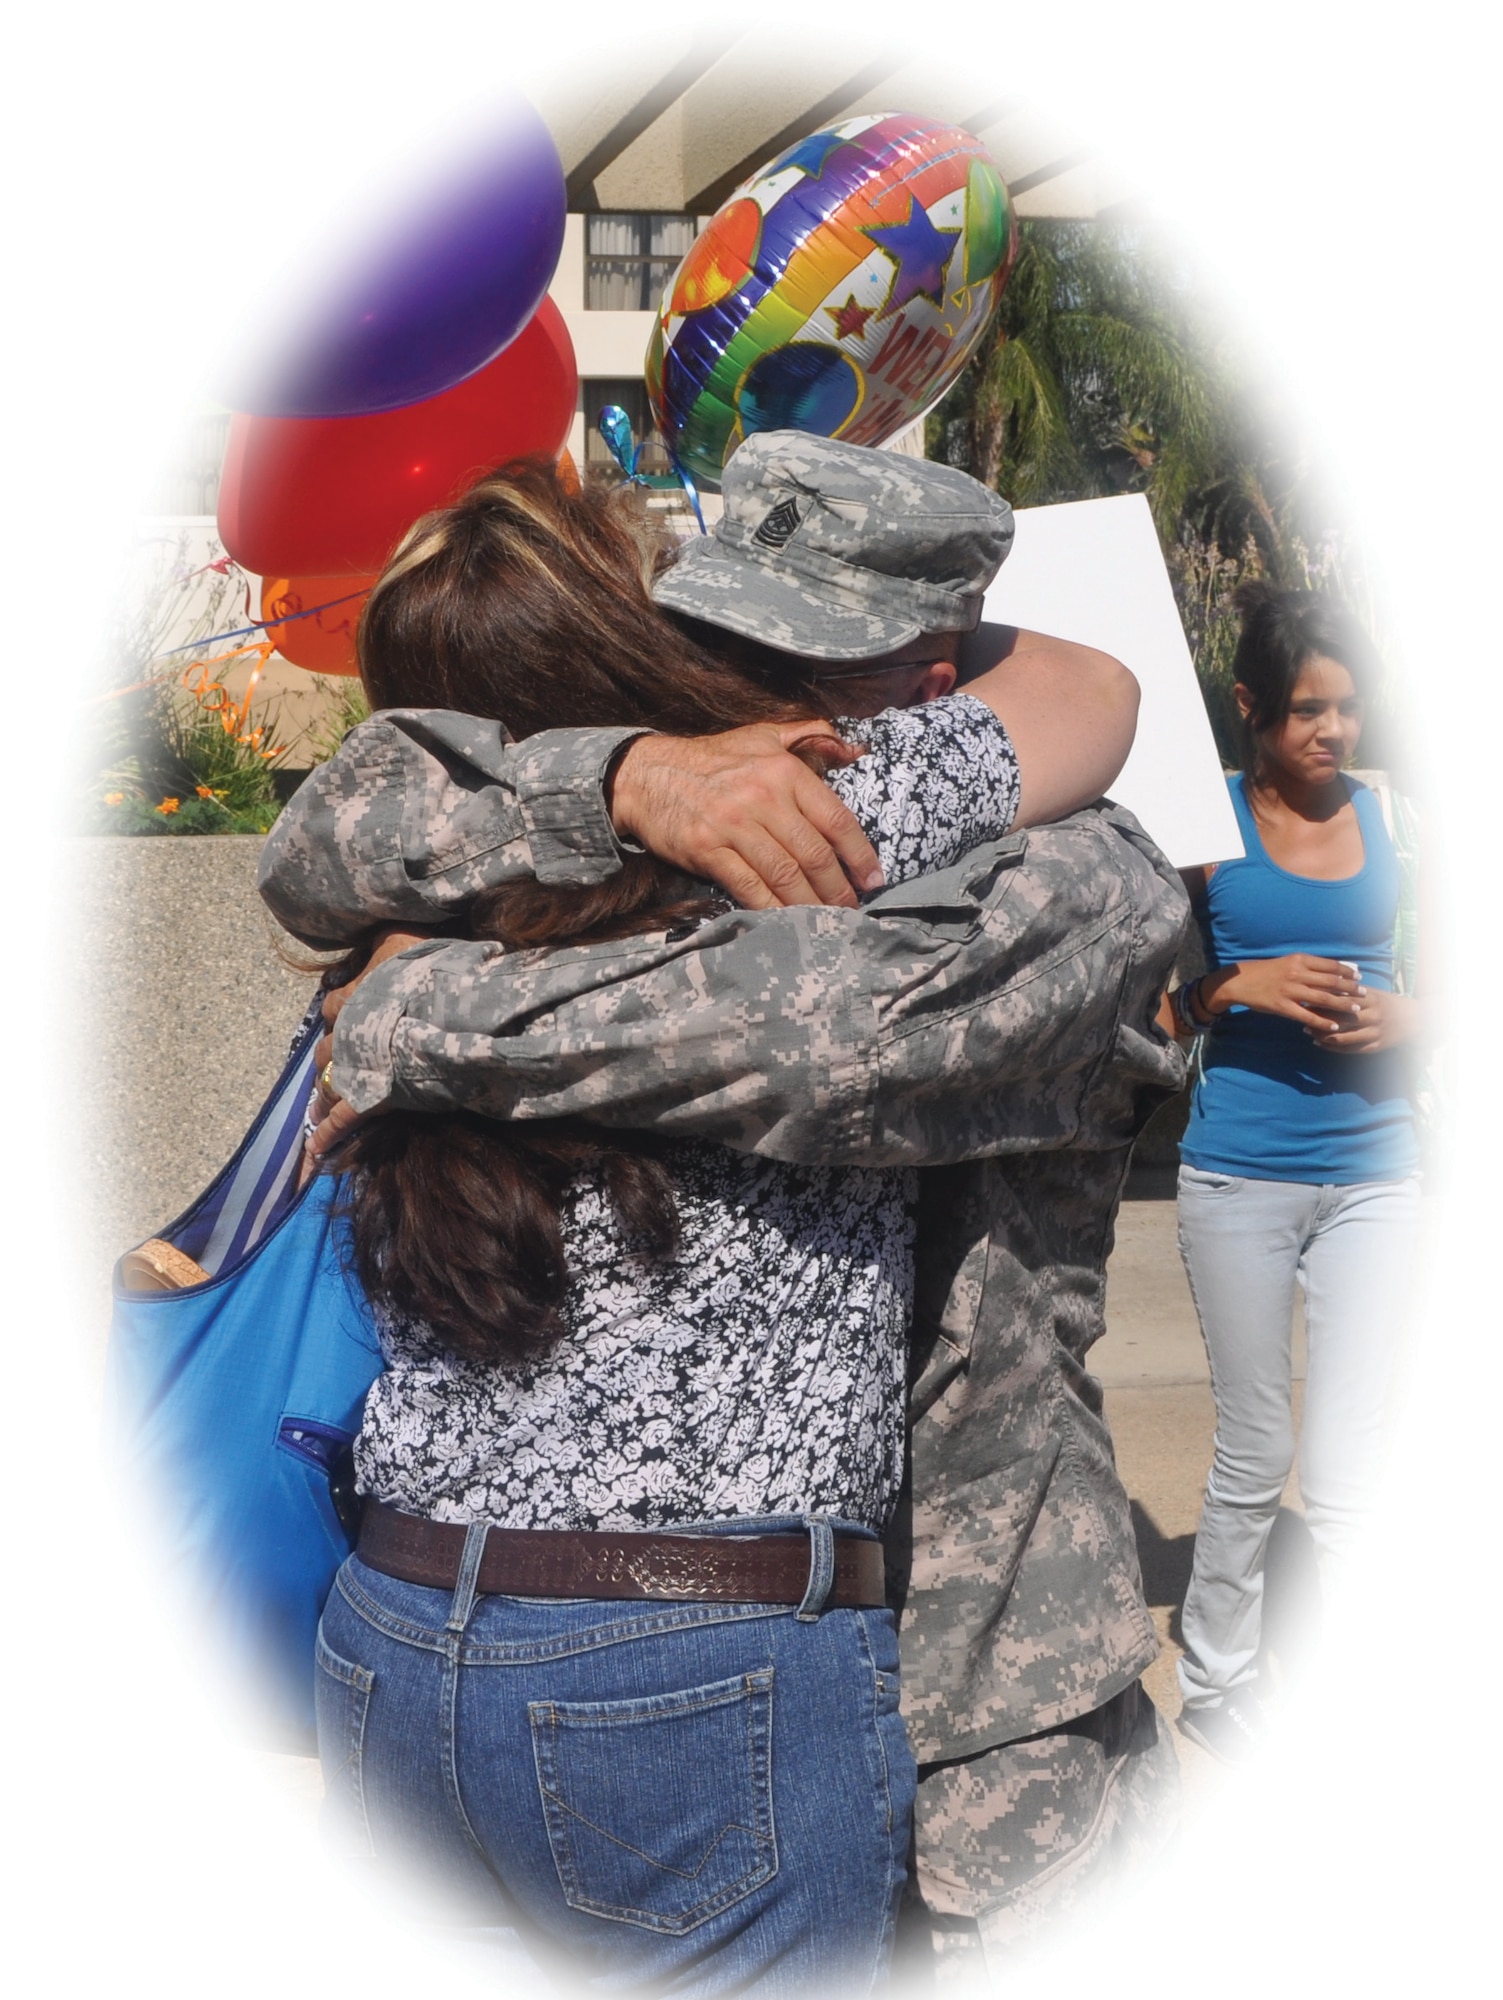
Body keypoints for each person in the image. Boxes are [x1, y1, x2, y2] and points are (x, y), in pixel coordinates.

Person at [262, 431, 1190, 1976]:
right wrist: (622, 775)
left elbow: (818, 1041)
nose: (767, 691)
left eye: (813, 653)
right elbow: (328, 827)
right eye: (716, 640)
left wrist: (404, 1017)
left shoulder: (1060, 870)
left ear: (937, 672)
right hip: (666, 1652)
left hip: (962, 1684)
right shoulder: (652, 800)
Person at [1162, 581, 1425, 1764]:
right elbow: (1146, 1009)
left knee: (1355, 1458)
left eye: (1351, 708)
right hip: (1239, 1173)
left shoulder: (1402, 822)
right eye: (1309, 710)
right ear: (1252, 709)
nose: (1334, 731)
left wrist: (1414, 1011)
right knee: (1257, 1448)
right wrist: (1235, 988)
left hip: (1378, 1168)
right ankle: (1218, 1683)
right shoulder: (1198, 824)